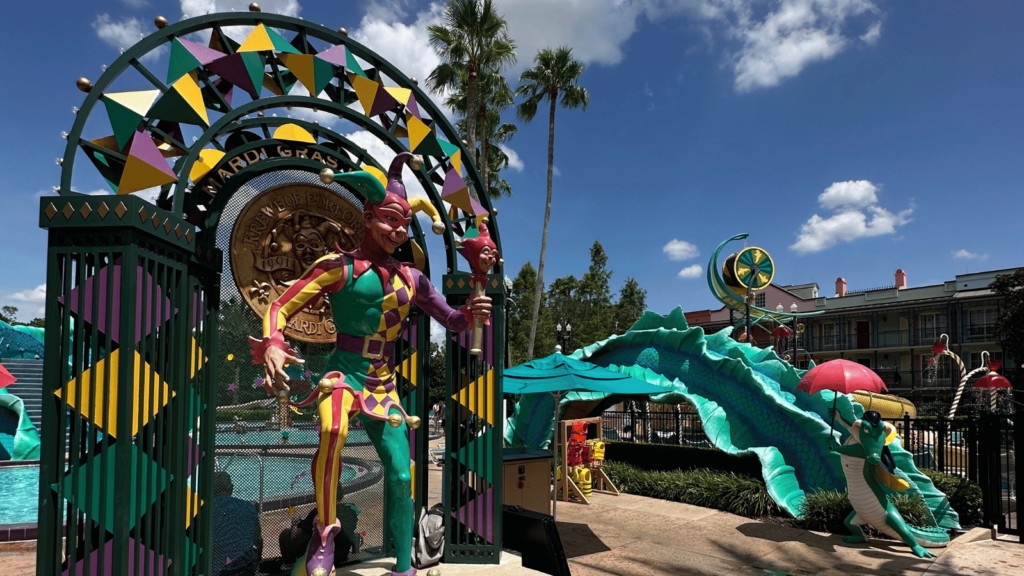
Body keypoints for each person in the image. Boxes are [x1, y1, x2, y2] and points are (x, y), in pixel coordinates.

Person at [250, 153, 491, 576]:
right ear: (368, 214)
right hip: (344, 371)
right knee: (332, 428)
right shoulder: (337, 267)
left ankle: (403, 566)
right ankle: (324, 537)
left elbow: (452, 321)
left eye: (403, 224)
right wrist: (273, 340)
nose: (397, 231)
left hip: (383, 384)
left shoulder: (412, 279)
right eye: (389, 220)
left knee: (401, 476)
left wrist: (472, 310)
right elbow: (280, 307)